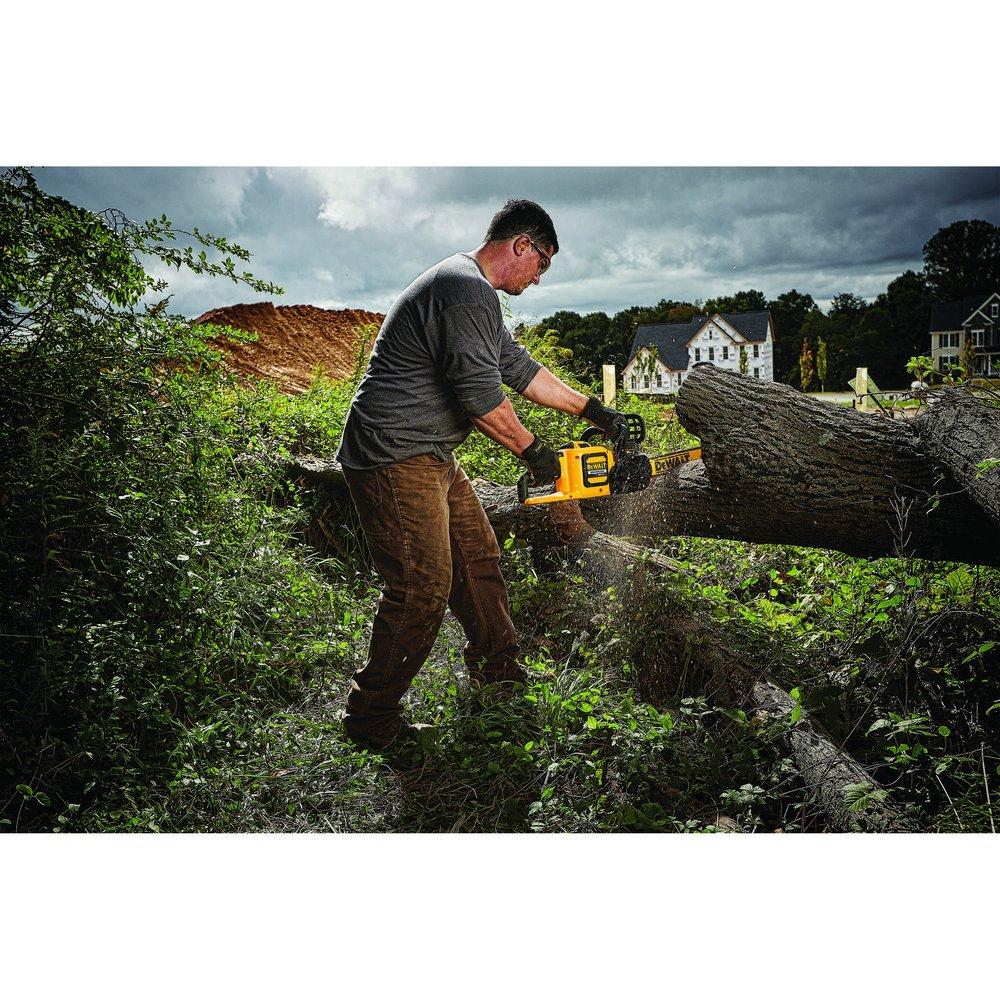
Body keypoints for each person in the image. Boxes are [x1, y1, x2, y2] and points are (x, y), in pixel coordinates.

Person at [335, 198, 628, 751]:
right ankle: (370, 716)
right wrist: (537, 454)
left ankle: (499, 675)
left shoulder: (474, 295)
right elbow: (478, 396)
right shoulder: (461, 286)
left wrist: (593, 410)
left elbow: (517, 369)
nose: (538, 279)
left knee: (478, 556)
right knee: (422, 586)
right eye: (541, 264)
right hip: (393, 456)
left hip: (431, 455)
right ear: (521, 245)